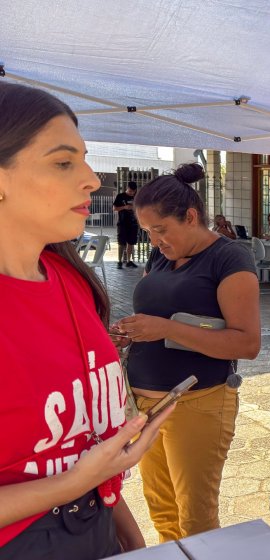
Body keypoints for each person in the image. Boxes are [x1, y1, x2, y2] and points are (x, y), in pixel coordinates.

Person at [0, 82, 169, 558]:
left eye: (85, 158)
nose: (93, 179)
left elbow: (85, 443)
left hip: (95, 523)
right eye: (63, 162)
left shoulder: (69, 278)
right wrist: (73, 483)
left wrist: (123, 529)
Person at [115, 163, 261, 541]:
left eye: (161, 229)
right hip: (144, 405)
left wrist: (164, 329)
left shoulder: (229, 257)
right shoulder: (162, 256)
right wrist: (131, 333)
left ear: (191, 216)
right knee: (162, 512)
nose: (156, 240)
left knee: (196, 520)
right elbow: (155, 313)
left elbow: (247, 343)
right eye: (148, 232)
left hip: (198, 402)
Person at [113, 180, 139, 269]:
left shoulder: (136, 197)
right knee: (121, 243)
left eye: (134, 191)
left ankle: (129, 261)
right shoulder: (120, 196)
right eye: (131, 191)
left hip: (133, 224)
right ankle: (119, 261)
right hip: (122, 223)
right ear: (127, 189)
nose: (132, 193)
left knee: (131, 243)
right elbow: (114, 208)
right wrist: (124, 207)